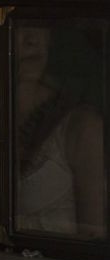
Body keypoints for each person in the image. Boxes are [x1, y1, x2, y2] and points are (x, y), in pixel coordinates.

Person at [13, 25, 105, 239]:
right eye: (20, 24)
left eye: (38, 24)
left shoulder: (80, 125)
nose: (32, 38)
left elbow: (94, 237)